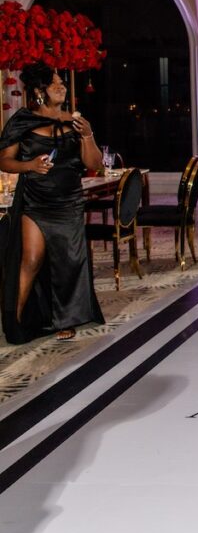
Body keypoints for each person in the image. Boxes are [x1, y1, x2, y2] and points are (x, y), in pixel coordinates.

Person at [0, 62, 104, 344]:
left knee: (68, 262)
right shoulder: (22, 120)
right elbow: (5, 161)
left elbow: (94, 164)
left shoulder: (75, 121)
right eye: (55, 83)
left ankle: (65, 319)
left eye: (62, 82)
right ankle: (15, 321)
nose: (62, 86)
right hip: (35, 201)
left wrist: (87, 135)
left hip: (69, 201)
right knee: (31, 260)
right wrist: (30, 165)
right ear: (39, 90)